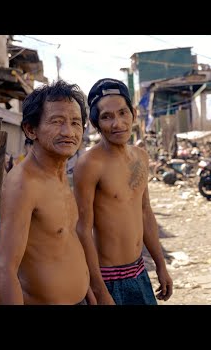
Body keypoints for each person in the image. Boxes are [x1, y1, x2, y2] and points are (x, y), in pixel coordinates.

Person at [0, 80, 95, 305]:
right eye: (57, 122)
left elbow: (64, 240)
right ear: (31, 130)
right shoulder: (23, 183)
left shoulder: (59, 172)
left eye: (76, 123)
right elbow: (4, 269)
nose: (69, 131)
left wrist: (87, 290)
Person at [74, 78, 173, 305]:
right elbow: (82, 229)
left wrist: (160, 264)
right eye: (107, 117)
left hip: (139, 270)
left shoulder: (141, 157)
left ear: (133, 114)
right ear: (95, 122)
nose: (117, 123)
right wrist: (99, 290)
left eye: (122, 113)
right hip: (108, 278)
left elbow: (145, 212)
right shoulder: (90, 164)